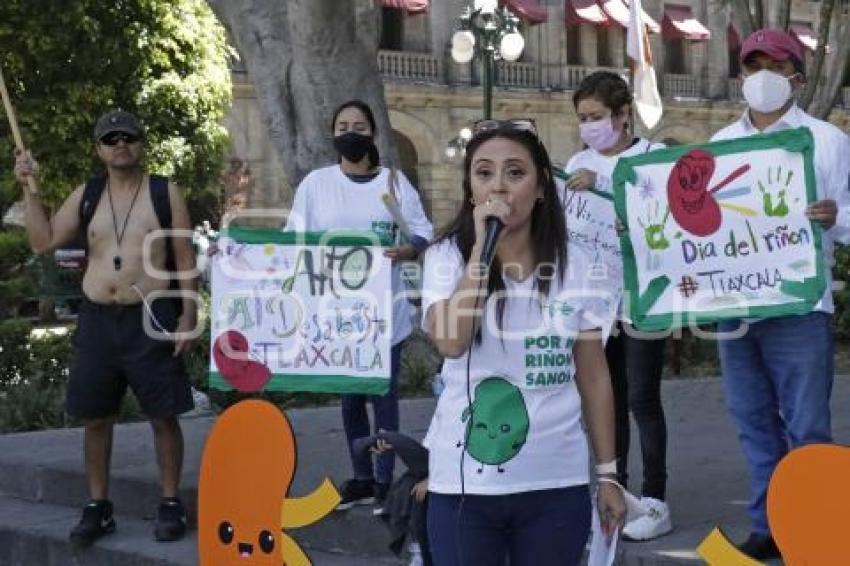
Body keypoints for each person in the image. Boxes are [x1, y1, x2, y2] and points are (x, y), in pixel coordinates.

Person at [420, 119, 626, 566]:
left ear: (540, 189)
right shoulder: (446, 257)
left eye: (515, 173)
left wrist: (608, 475)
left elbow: (593, 375)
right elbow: (451, 342)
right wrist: (481, 251)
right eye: (484, 173)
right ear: (470, 189)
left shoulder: (579, 265)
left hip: (556, 482)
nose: (499, 186)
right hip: (464, 489)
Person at [13, 110, 197, 546]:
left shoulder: (162, 192)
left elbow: (185, 260)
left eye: (128, 136)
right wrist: (28, 186)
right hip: (98, 319)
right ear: (99, 149)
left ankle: (170, 502)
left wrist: (188, 319)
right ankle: (98, 506)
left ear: (141, 144)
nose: (120, 144)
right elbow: (42, 242)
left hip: (150, 317)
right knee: (96, 417)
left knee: (163, 415)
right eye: (110, 138)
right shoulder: (87, 194)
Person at [710, 28, 850, 560]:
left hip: (801, 305)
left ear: (798, 75)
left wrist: (835, 218)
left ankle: (815, 527)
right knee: (751, 419)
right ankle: (768, 525)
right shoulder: (721, 145)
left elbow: (849, 222)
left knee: (808, 423)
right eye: (753, 65)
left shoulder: (828, 141)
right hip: (736, 307)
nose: (762, 74)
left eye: (775, 63)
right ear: (742, 74)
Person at [283, 100, 434, 512]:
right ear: (333, 134)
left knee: (383, 397)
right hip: (335, 317)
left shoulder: (396, 183)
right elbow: (294, 239)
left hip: (386, 314)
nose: (351, 131)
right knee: (350, 400)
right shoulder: (316, 184)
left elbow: (423, 232)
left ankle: (385, 478)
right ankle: (362, 477)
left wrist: (407, 249)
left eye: (360, 125)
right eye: (343, 125)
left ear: (372, 134)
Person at [563, 70, 672, 541]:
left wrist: (611, 197)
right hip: (595, 303)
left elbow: (669, 224)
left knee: (643, 397)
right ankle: (616, 491)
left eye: (597, 116)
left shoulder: (653, 160)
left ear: (624, 114)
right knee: (606, 399)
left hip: (644, 297)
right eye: (583, 118)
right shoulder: (574, 163)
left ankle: (655, 498)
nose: (589, 126)